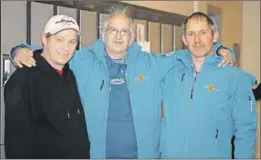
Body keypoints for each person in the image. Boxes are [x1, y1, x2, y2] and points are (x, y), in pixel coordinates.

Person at [8, 7, 234, 158]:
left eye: (125, 31)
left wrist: (220, 49)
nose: (118, 36)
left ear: (132, 37)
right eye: (113, 30)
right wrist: (19, 50)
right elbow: (51, 54)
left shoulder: (150, 64)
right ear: (102, 34)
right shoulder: (82, 60)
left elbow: (191, 52)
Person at [161, 12, 257, 159]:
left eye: (203, 32)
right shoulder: (169, 72)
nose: (197, 39)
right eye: (191, 34)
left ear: (215, 36)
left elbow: (246, 131)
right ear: (184, 39)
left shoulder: (236, 78)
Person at [4, 15, 90, 158]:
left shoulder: (69, 75)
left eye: (72, 42)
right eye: (59, 40)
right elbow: (17, 143)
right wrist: (17, 50)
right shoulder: (24, 79)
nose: (66, 47)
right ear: (45, 39)